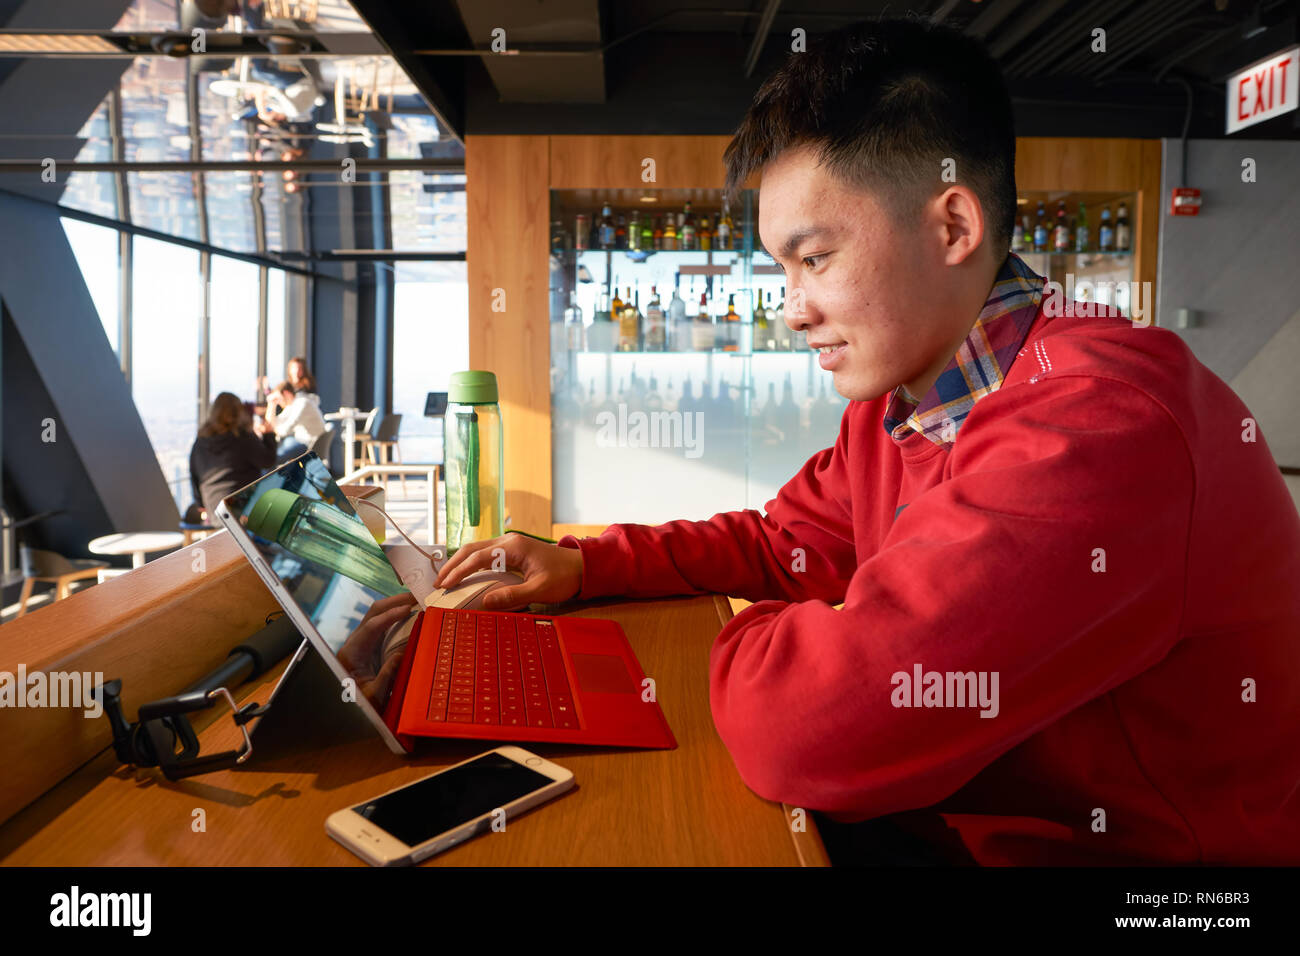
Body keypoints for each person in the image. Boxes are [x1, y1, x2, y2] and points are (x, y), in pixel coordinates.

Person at [433, 19, 1300, 866]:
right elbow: (786, 543)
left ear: (952, 227)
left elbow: (811, 731)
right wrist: (591, 565)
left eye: (814, 259)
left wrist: (767, 643)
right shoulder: (905, 399)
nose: (792, 306)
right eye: (781, 267)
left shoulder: (1098, 424)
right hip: (949, 820)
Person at [189, 392, 276, 519]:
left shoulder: (200, 442)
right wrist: (269, 435)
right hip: (245, 508)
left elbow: (194, 476)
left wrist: (202, 505)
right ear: (238, 412)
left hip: (217, 512)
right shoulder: (242, 437)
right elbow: (268, 461)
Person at [266, 380, 326, 464]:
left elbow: (285, 431)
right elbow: (273, 423)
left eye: (278, 399)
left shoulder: (302, 403)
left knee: (273, 458)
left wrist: (272, 429)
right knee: (273, 454)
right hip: (302, 440)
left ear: (286, 393)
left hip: (309, 443)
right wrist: (271, 405)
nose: (278, 402)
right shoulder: (294, 403)